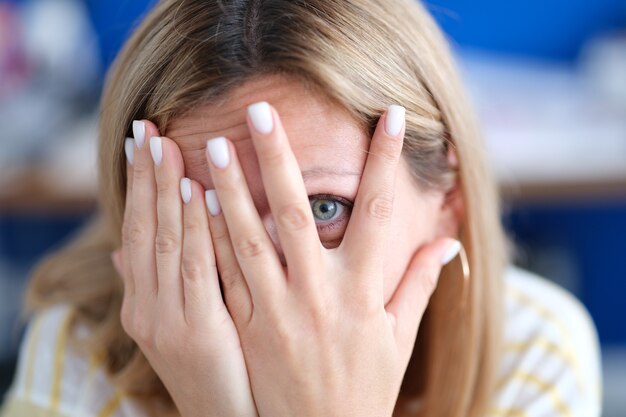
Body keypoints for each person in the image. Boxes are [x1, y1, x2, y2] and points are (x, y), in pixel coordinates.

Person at [0, 0, 601, 416]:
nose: (267, 282)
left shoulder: (534, 353)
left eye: (322, 208)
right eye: (205, 215)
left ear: (448, 196)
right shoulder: (83, 353)